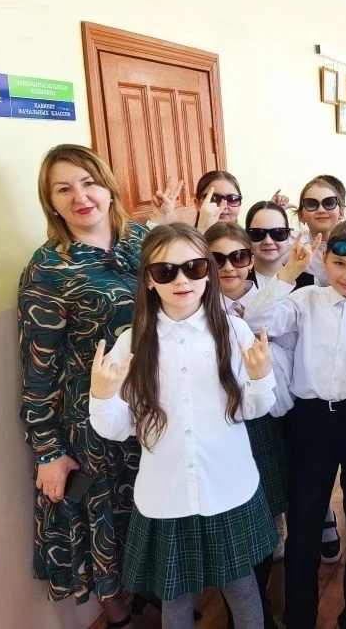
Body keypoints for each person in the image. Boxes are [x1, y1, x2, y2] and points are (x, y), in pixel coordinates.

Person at [18, 144, 180, 627]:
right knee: (104, 521)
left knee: (154, 511)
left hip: (156, 408)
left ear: (108, 186)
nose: (80, 197)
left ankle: (158, 595)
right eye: (63, 189)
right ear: (50, 203)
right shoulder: (49, 268)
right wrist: (47, 451)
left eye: (89, 183)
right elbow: (38, 368)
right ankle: (118, 614)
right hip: (91, 421)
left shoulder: (143, 242)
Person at [89, 223, 278, 629]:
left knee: (243, 588)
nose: (181, 280)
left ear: (208, 273)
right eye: (165, 271)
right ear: (148, 279)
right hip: (167, 492)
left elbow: (254, 408)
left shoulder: (233, 330)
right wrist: (102, 397)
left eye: (194, 267)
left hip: (228, 485)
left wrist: (261, 377)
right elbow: (118, 429)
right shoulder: (132, 342)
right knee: (175, 598)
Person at [244, 220, 346, 629]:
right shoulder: (304, 299)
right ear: (325, 261)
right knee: (305, 520)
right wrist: (288, 273)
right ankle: (300, 616)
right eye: (340, 264)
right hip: (312, 419)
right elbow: (255, 321)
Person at [243, 202, 343, 564]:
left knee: (307, 462)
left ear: (290, 235)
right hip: (257, 389)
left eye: (278, 232)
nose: (268, 241)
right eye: (258, 234)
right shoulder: (238, 274)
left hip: (301, 386)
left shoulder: (309, 277)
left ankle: (323, 514)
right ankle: (277, 526)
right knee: (270, 462)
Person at [205, 223, 292, 628]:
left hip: (266, 420)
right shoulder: (193, 308)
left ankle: (259, 608)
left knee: (266, 517)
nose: (229, 266)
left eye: (238, 256)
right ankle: (241, 614)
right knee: (233, 526)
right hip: (220, 428)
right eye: (217, 258)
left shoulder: (273, 298)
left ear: (251, 259)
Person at [295, 174, 346, 287]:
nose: (321, 210)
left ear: (341, 212)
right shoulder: (291, 247)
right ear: (301, 215)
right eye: (311, 204)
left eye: (329, 203)